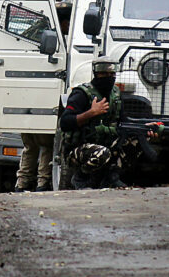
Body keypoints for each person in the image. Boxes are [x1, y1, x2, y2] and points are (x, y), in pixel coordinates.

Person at [58, 56, 158, 189]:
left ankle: (111, 177)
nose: (109, 77)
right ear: (96, 74)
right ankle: (80, 177)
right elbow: (65, 122)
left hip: (106, 144)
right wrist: (91, 113)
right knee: (102, 152)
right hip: (79, 149)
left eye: (112, 74)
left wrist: (144, 128)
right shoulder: (82, 93)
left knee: (138, 138)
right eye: (104, 73)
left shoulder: (115, 94)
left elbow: (124, 121)